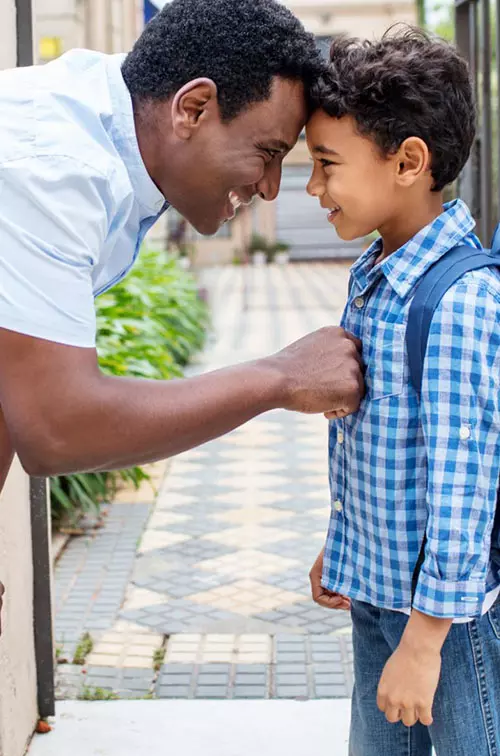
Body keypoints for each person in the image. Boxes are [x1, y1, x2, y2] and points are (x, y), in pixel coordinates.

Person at [307, 27, 500, 756]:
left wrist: (423, 642)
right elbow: (377, 440)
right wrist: (345, 544)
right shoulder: (376, 274)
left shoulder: (457, 300)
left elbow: (463, 480)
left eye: (327, 165)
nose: (313, 188)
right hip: (377, 597)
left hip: (444, 627)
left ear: (409, 162)